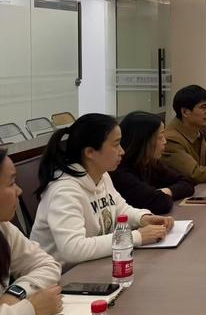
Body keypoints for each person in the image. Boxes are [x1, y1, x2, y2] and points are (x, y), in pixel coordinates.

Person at [30, 114, 172, 270]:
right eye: (116, 144)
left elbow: (120, 209)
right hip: (61, 276)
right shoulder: (64, 191)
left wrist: (142, 219)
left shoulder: (102, 175)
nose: (122, 151)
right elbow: (74, 249)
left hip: (91, 267)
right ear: (90, 152)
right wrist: (137, 236)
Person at [0, 148, 63, 315]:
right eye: (11, 183)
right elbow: (75, 249)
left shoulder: (4, 229)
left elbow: (48, 264)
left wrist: (15, 294)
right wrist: (28, 309)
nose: (19, 191)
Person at [111, 111, 196, 214]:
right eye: (160, 137)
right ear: (143, 141)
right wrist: (160, 195)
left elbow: (188, 182)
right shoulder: (120, 172)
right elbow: (160, 203)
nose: (165, 141)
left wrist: (166, 191)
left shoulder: (150, 163)